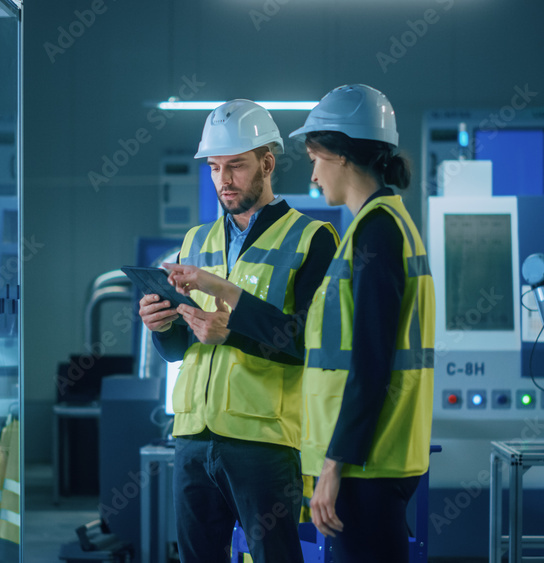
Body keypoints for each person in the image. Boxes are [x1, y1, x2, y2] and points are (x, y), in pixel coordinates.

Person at [171, 85, 436, 562]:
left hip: (352, 453)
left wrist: (334, 463)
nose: (312, 173)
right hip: (353, 451)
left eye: (315, 157)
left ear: (341, 155)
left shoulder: (355, 234)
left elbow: (361, 360)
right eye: (214, 167)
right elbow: (348, 351)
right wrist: (162, 325)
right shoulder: (374, 227)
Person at [139, 99, 338, 562]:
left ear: (267, 163)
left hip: (264, 443)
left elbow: (308, 344)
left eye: (236, 167)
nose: (223, 181)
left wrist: (229, 326)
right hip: (192, 437)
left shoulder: (313, 239)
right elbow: (179, 350)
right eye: (214, 168)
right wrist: (160, 326)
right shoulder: (196, 240)